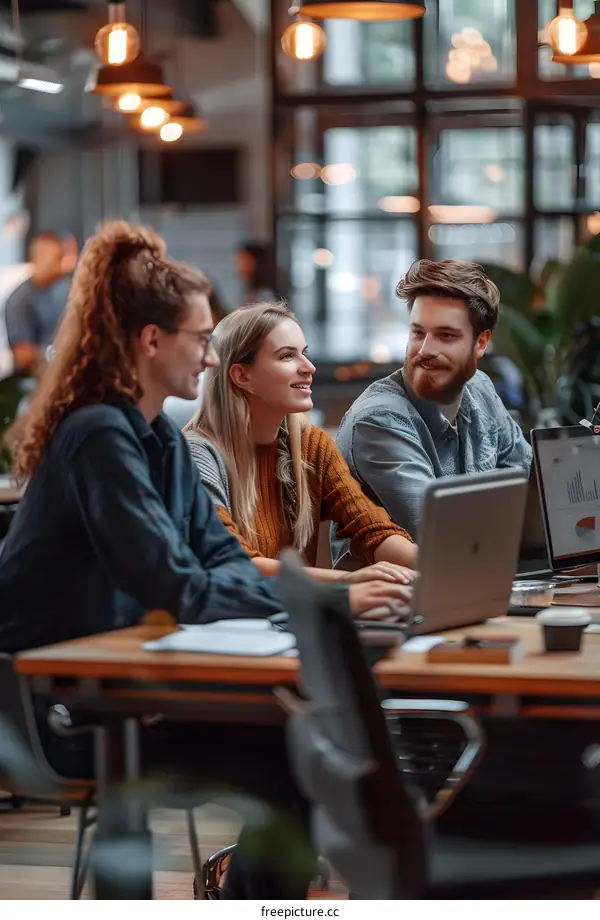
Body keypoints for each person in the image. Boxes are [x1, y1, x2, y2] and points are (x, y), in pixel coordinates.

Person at [0, 221, 325, 899]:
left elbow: (220, 560)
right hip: (56, 715)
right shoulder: (96, 434)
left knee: (303, 751)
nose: (209, 358)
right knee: (294, 757)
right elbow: (176, 584)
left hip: (122, 693)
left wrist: (297, 598)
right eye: (201, 339)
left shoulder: (157, 437)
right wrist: (326, 603)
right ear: (152, 341)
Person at [184, 302, 418, 597]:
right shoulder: (197, 456)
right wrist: (346, 582)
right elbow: (232, 560)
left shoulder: (310, 445)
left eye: (304, 353)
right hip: (229, 627)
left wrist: (438, 567)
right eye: (286, 356)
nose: (309, 367)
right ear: (242, 376)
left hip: (290, 622)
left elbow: (371, 528)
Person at [333, 259, 532, 559]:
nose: (425, 350)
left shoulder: (480, 389)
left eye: (445, 336)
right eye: (418, 333)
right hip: (394, 600)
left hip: (481, 582)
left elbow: (529, 487)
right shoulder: (378, 420)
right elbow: (441, 532)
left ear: (481, 343)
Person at [5, 231, 72, 375]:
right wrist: (58, 353)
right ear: (40, 258)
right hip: (32, 383)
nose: (62, 265)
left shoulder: (63, 290)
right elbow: (23, 356)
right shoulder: (20, 301)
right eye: (57, 258)